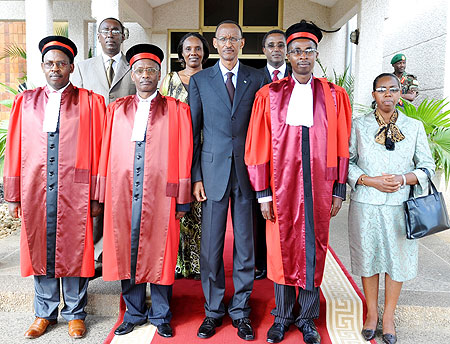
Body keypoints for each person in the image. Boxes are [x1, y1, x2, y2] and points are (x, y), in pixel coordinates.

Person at [245, 20, 352, 344]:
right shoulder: (270, 95)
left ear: (316, 54)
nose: (302, 56)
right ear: (288, 57)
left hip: (319, 186)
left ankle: (306, 319)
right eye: (296, 51)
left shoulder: (334, 96)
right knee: (280, 251)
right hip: (281, 189)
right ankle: (281, 317)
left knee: (313, 250)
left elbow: (341, 142)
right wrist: (263, 193)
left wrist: (338, 188)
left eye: (308, 51)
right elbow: (258, 144)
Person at [3, 36, 105, 339]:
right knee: (40, 249)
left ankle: (75, 313)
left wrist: (97, 194)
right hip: (36, 189)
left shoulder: (90, 101)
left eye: (61, 63)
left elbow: (100, 149)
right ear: (43, 67)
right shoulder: (26, 101)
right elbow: (15, 149)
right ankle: (44, 313)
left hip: (76, 189)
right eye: (50, 63)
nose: (55, 68)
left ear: (71, 67)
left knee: (75, 248)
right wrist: (13, 195)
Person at [97, 44, 193, 338]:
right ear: (132, 75)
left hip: (162, 195)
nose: (145, 76)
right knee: (127, 251)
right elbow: (105, 151)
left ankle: (162, 314)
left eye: (151, 70)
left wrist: (182, 198)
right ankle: (135, 312)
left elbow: (184, 153)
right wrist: (102, 194)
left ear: (159, 73)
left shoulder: (177, 110)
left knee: (161, 254)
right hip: (122, 194)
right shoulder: (117, 109)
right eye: (139, 71)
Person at [189, 20, 266, 341]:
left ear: (242, 43)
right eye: (223, 39)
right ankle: (212, 311)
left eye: (234, 39)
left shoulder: (257, 77)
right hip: (211, 173)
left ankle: (241, 311)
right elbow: (193, 132)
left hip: (247, 173)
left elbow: (263, 130)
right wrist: (194, 176)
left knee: (246, 247)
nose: (229, 44)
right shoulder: (201, 80)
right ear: (215, 43)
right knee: (211, 247)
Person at [347, 73, 434, 344]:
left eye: (393, 90)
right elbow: (346, 163)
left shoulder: (415, 126)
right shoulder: (358, 125)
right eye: (381, 90)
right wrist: (369, 180)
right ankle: (372, 314)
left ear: (400, 94)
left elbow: (427, 167)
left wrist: (403, 178)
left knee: (396, 263)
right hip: (366, 205)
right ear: (373, 94)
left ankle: (389, 316)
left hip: (400, 207)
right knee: (369, 259)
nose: (387, 94)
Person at [71, 17, 136, 277]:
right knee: (94, 200)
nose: (110, 35)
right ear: (98, 36)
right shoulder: (83, 68)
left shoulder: (134, 67)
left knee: (121, 200)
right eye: (105, 31)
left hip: (124, 145)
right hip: (92, 142)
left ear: (124, 36)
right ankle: (95, 257)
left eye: (116, 31)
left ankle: (117, 254)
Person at [160, 32, 210, 280]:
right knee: (176, 206)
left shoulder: (211, 78)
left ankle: (198, 264)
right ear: (181, 53)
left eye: (198, 48)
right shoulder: (169, 79)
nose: (193, 53)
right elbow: (160, 113)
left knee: (199, 207)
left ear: (204, 52)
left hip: (203, 149)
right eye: (188, 48)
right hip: (176, 149)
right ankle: (178, 264)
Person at [254, 29, 291, 281]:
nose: (276, 49)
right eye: (271, 45)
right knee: (260, 212)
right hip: (262, 153)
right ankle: (261, 263)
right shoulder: (253, 79)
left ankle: (287, 261)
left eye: (281, 45)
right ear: (264, 50)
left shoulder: (301, 77)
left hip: (289, 160)